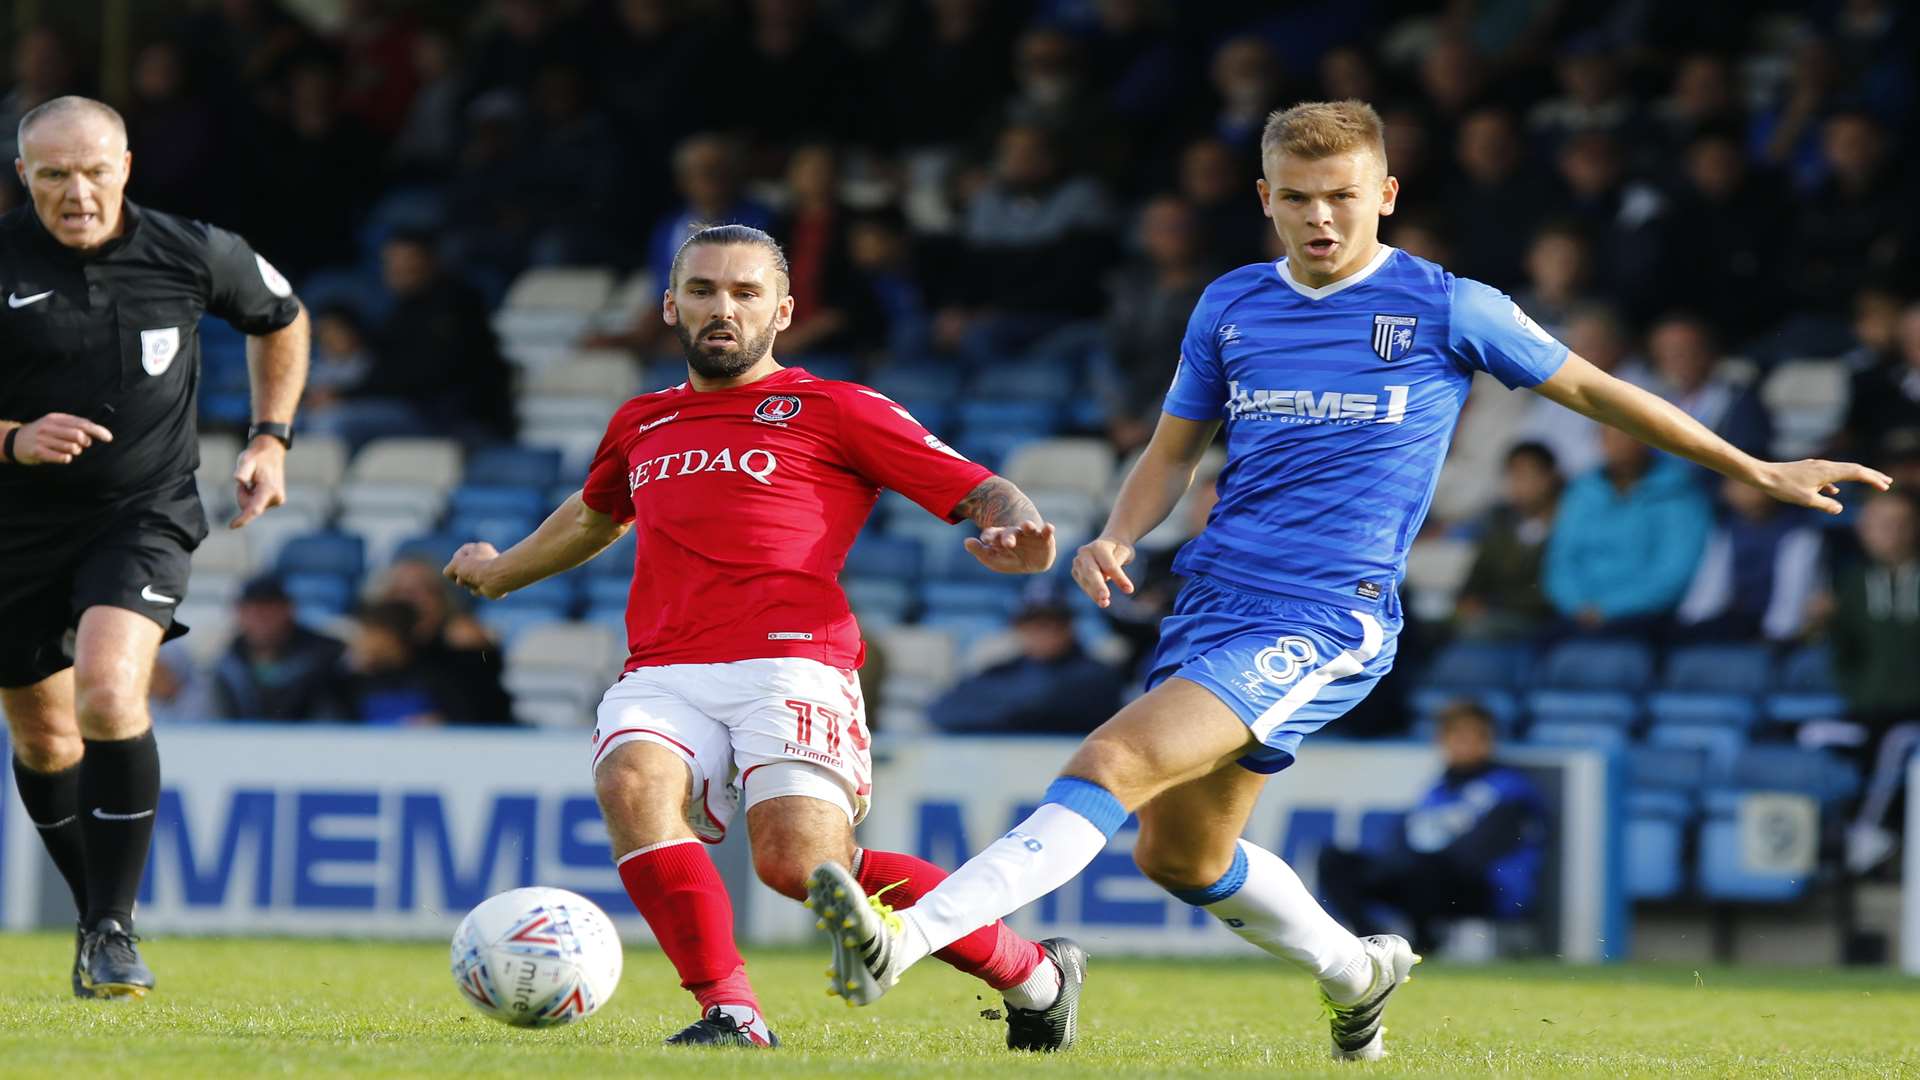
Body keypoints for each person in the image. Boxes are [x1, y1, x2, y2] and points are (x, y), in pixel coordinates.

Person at [806, 100, 1888, 1062]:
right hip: (1212, 602)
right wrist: (1119, 533)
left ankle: (909, 939)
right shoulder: (1231, 306)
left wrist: (1753, 466)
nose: (1322, 219)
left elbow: (1600, 393)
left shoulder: (1449, 307)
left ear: (1386, 194)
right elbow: (1175, 448)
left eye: (1343, 197)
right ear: (1265, 197)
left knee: (1114, 756)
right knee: (1183, 855)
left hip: (1330, 617)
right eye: (1300, 199)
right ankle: (1355, 972)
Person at [442, 224, 1080, 1051]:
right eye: (703, 290)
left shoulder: (837, 407)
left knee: (801, 868)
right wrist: (499, 573)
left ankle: (1036, 974)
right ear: (670, 305)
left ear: (782, 311)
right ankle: (731, 1013)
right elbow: (595, 515)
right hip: (664, 667)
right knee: (634, 783)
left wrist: (1020, 533)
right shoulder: (642, 419)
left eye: (745, 293)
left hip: (793, 661)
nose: (722, 308)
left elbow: (978, 487)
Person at [0, 96, 308, 998]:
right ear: (25, 177)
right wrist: (13, 436)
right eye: (53, 174)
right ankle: (101, 918)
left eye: (94, 170)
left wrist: (270, 435)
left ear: (126, 166)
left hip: (142, 512)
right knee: (47, 735)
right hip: (13, 528)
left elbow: (282, 317)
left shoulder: (192, 248)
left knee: (105, 688)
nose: (77, 191)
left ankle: (109, 926)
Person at [1317, 701, 1546, 955]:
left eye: (1472, 736)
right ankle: (1373, 943)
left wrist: (1409, 863)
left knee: (1425, 867)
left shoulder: (1510, 788)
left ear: (1488, 741)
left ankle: (1424, 945)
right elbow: (1405, 838)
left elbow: (1480, 851)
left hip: (1488, 889)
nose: (1463, 744)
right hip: (1422, 878)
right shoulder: (1438, 789)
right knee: (1336, 860)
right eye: (1455, 736)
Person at [1825, 492, 1920, 874]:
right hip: (1864, 708)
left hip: (1911, 712)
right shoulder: (1850, 584)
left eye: (1897, 523)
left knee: (1896, 744)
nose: (1887, 532)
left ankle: (1868, 832)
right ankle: (1831, 839)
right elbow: (1842, 652)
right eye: (1878, 522)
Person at [1542, 427, 1713, 636]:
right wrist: (1577, 606)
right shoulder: (1581, 490)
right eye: (1609, 435)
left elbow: (1674, 573)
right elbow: (1561, 560)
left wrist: (1608, 610)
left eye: (1626, 433)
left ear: (1647, 439)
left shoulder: (1679, 493)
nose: (1618, 444)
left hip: (1646, 621)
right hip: (1578, 616)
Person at [927, 588, 1121, 735]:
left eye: (1051, 624)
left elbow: (1043, 705)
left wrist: (995, 707)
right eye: (1032, 625)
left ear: (1068, 627)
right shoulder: (1002, 670)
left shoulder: (1095, 674)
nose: (1042, 634)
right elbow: (942, 711)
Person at [1454, 442, 1563, 641]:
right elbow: (1477, 577)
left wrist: (1493, 608)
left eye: (1526, 475)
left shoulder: (1568, 523)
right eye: (1513, 476)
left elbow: (1552, 591)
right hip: (1495, 618)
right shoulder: (1500, 520)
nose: (1518, 484)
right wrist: (1468, 601)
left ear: (1549, 477)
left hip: (1544, 622)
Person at [210, 576, 351, 721]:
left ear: (288, 610)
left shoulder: (327, 654)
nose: (261, 619)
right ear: (239, 613)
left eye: (269, 610)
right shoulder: (228, 661)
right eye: (253, 611)